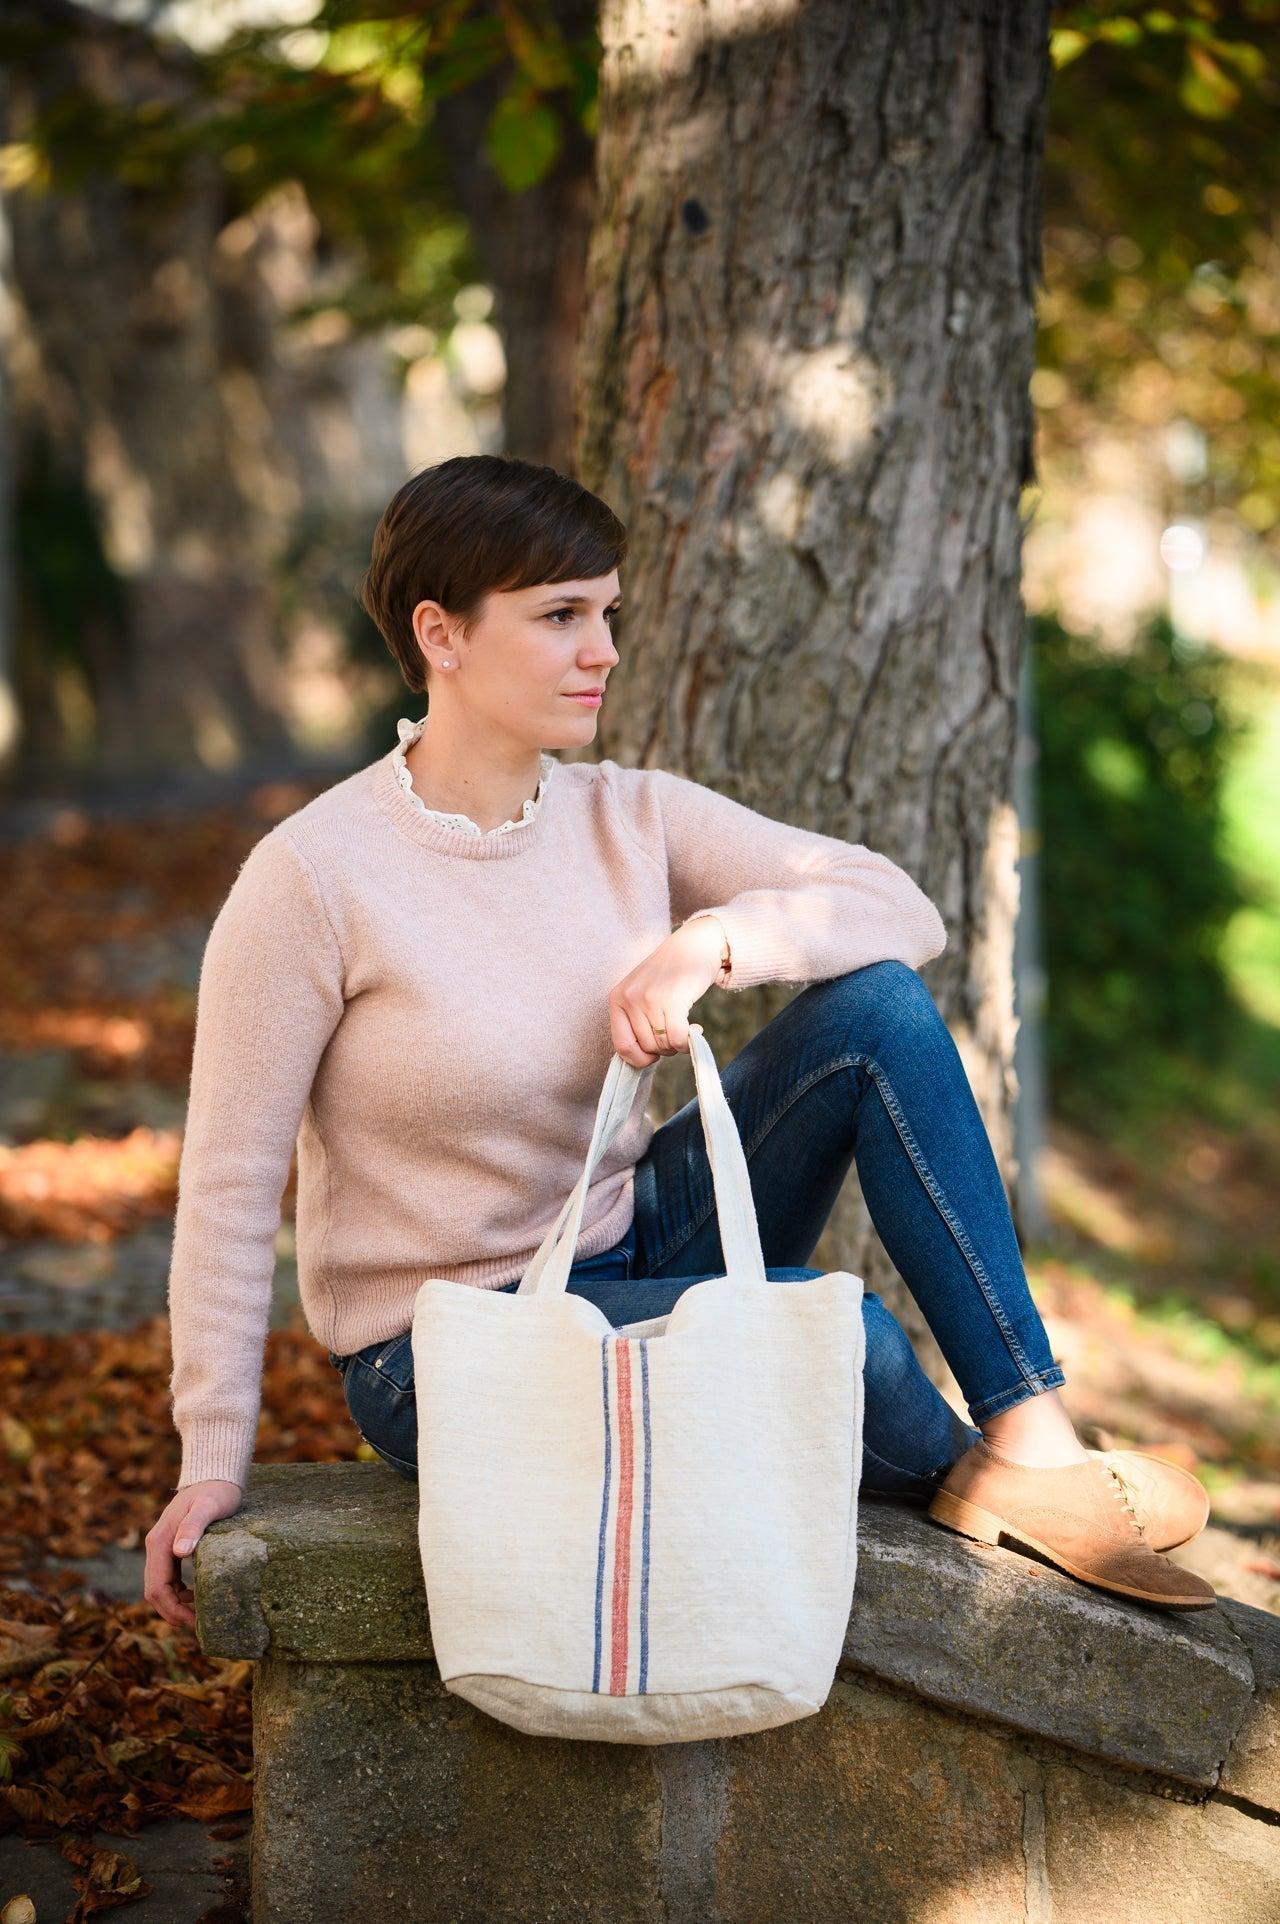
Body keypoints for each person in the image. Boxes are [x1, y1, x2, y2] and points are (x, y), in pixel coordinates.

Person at [144, 454, 1214, 1630]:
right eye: (559, 617)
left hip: (634, 1240)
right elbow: (231, 1181)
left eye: (605, 612)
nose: (601, 648)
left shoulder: (628, 813)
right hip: (444, 1352)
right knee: (836, 1332)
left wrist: (709, 939)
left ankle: (1031, 1438)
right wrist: (211, 1461)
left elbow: (898, 908)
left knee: (876, 1014)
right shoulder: (313, 875)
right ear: (439, 634)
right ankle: (1004, 1487)